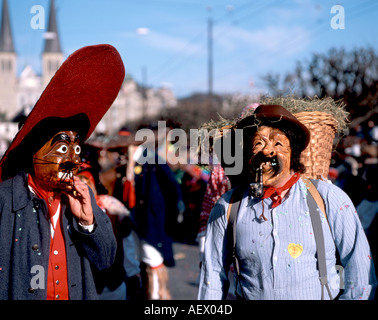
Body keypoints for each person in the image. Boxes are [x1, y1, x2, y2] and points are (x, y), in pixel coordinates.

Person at [198, 104, 377, 300]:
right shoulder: (228, 206)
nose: (267, 151)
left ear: (294, 152)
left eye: (278, 144)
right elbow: (212, 277)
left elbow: (360, 274)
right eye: (259, 143)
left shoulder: (329, 198)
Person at [0, 44, 124, 300]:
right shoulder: (4, 199)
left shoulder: (81, 195)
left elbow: (105, 261)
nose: (72, 160)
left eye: (77, 148)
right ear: (35, 150)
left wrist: (88, 223)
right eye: (63, 147)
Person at [131, 131, 184, 300]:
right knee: (141, 259)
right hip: (138, 220)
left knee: (152, 257)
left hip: (152, 220)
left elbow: (173, 187)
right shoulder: (133, 161)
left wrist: (174, 210)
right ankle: (148, 293)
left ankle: (158, 296)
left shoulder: (152, 160)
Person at [77, 169, 141, 300]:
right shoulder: (70, 208)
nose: (83, 190)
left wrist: (132, 271)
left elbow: (127, 240)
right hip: (87, 284)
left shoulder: (109, 204)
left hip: (113, 282)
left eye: (87, 184)